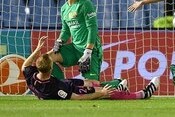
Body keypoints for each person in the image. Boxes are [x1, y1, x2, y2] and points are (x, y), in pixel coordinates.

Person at [23, 36, 160, 100]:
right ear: (51, 69)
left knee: (91, 82)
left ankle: (117, 84)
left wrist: (38, 49)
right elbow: (78, 98)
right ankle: (143, 94)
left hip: (67, 83)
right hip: (71, 89)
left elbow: (25, 65)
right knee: (103, 91)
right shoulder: (54, 89)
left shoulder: (30, 77)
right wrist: (100, 94)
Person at [47, 0, 104, 85]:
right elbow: (66, 30)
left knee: (91, 86)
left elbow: (92, 29)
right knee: (46, 59)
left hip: (90, 50)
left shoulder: (85, 5)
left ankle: (118, 83)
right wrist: (60, 40)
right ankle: (62, 85)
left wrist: (88, 51)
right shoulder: (64, 9)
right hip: (74, 48)